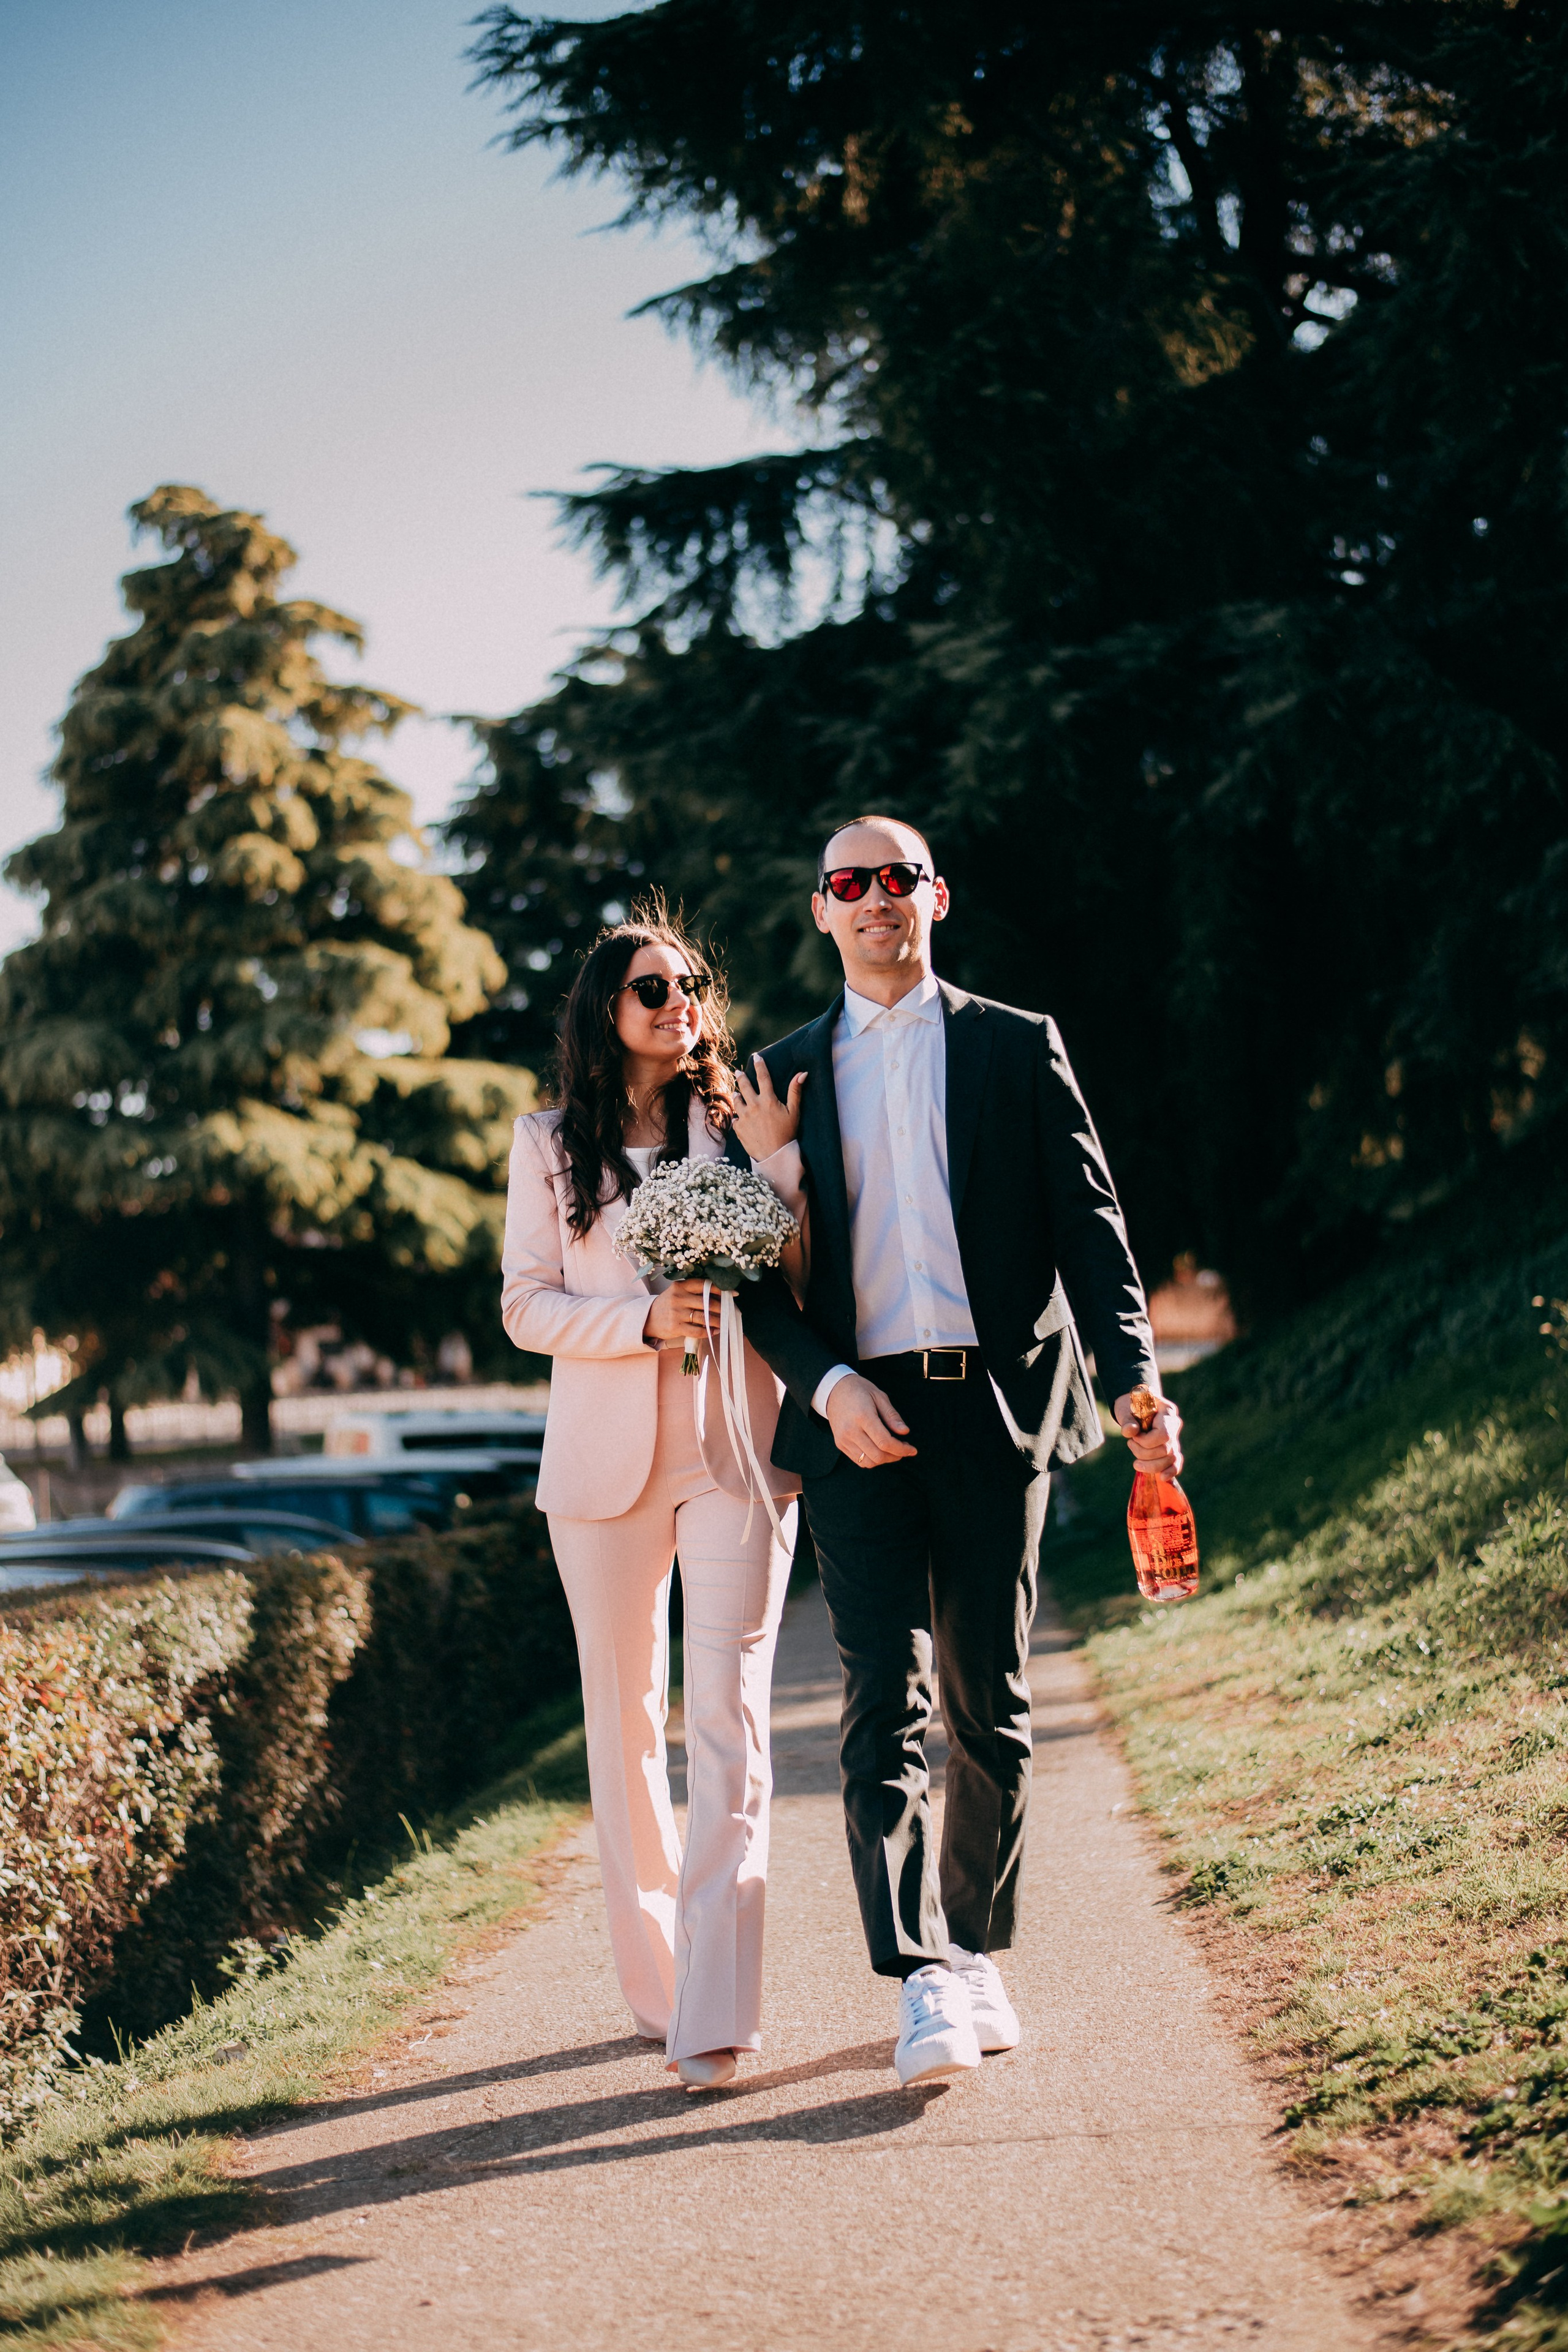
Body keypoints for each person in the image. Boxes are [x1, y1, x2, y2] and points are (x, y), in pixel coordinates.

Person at [730, 816, 1185, 2087]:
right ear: (820, 911)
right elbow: (743, 1284)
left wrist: (1135, 1375)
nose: (876, 901)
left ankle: (976, 1943)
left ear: (936, 896)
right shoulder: (773, 1080)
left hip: (995, 1413)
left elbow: (1091, 1234)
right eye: (849, 885)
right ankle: (921, 1974)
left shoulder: (1014, 1044)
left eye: (896, 879)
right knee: (883, 1703)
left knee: (990, 1701)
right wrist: (820, 1386)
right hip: (856, 1424)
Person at [500, 916, 803, 2090]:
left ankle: (718, 2015)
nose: (676, 1002)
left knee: (729, 1715)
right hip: (601, 1469)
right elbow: (525, 1306)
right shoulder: (546, 1146)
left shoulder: (737, 1119)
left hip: (737, 1446)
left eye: (688, 985)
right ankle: (662, 1989)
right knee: (627, 1728)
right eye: (648, 989)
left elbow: (800, 1256)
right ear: (603, 1012)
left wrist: (774, 1166)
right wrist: (639, 1320)